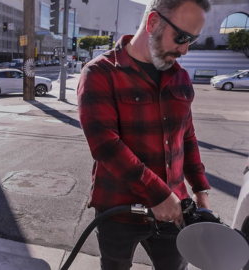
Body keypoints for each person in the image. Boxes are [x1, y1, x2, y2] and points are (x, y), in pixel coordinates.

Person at [77, 0, 212, 269]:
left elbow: (187, 138)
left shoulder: (181, 77)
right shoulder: (100, 73)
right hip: (118, 212)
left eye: (192, 41)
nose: (184, 49)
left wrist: (200, 191)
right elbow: (105, 145)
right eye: (181, 37)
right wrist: (157, 194)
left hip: (174, 210)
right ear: (152, 23)